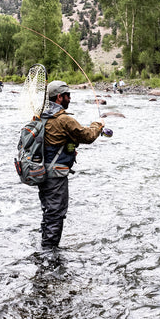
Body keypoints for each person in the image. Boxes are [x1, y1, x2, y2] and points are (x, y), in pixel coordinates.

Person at [37, 80, 105, 248]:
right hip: (56, 176)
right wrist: (98, 125)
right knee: (56, 213)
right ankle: (49, 254)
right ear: (59, 97)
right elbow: (87, 136)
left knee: (49, 211)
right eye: (68, 95)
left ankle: (45, 247)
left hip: (41, 173)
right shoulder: (64, 120)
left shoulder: (41, 116)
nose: (70, 98)